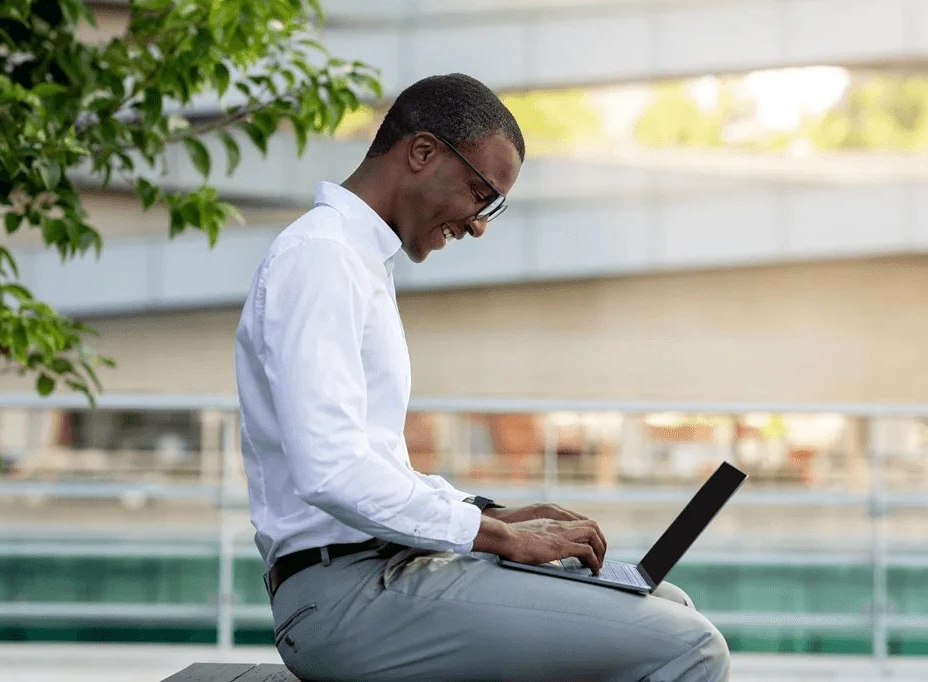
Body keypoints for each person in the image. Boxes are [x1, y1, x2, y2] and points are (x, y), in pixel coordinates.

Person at [234, 73, 729, 682]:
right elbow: (331, 472)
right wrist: (496, 536)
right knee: (689, 645)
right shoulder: (320, 259)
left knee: (663, 604)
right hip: (341, 599)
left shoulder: (356, 261)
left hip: (382, 570)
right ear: (422, 153)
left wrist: (493, 511)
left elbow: (373, 464)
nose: (478, 224)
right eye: (479, 192)